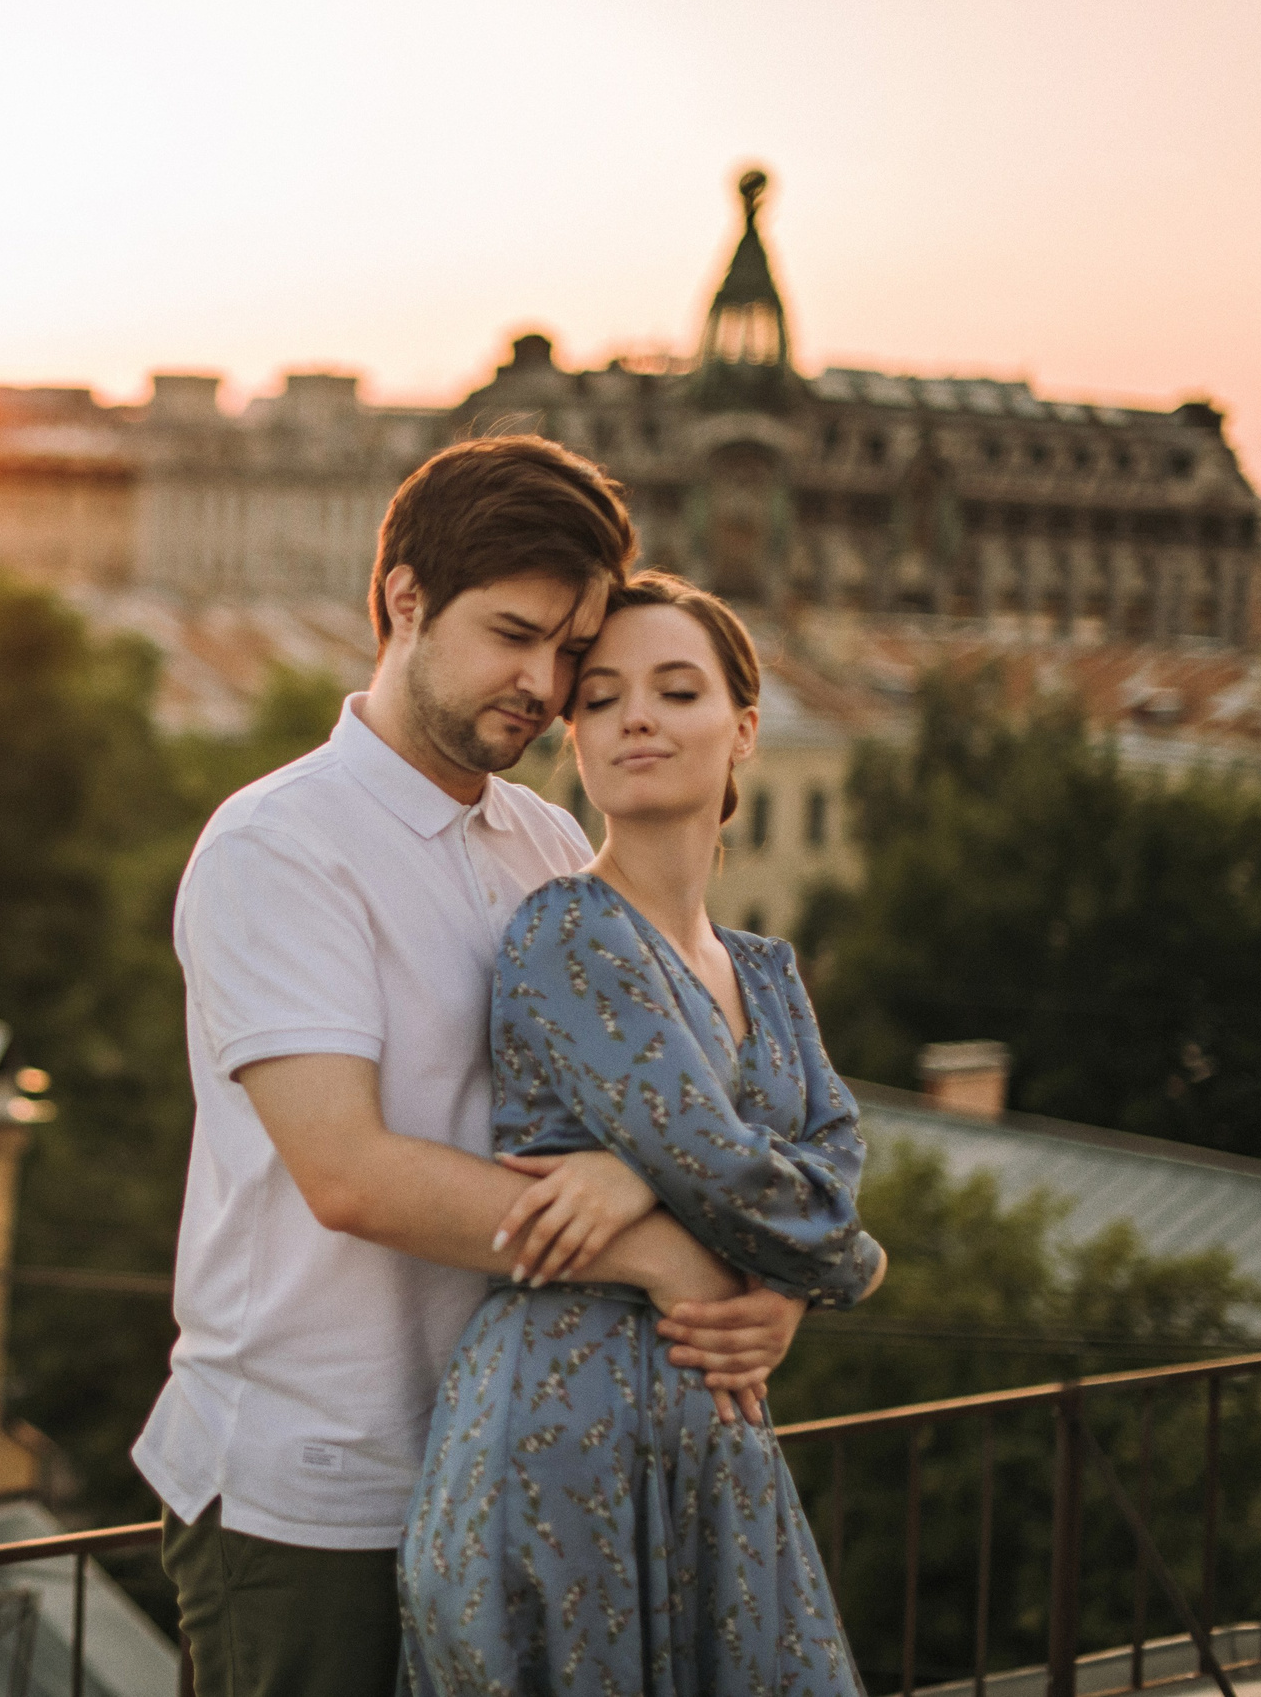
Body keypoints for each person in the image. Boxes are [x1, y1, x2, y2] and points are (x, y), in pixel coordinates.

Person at [137, 439, 811, 1697]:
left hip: (514, 1464)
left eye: (570, 652)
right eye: (513, 636)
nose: (544, 685)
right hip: (316, 1484)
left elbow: (642, 1110)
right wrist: (661, 1258)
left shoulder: (545, 839)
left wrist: (754, 1286)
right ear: (402, 600)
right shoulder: (278, 846)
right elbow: (350, 1175)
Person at [398, 572, 886, 1696]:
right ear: (577, 738)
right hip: (562, 1429)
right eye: (603, 698)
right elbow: (730, 1169)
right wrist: (847, 1269)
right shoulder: (567, 930)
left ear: (743, 729)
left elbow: (829, 1160)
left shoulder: (764, 972)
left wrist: (639, 1177)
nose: (637, 720)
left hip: (706, 1427)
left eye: (675, 691)